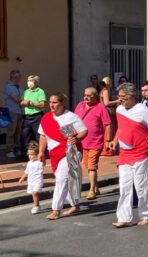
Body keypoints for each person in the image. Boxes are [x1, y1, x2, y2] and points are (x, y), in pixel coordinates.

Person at [109, 82, 148, 228]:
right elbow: (120, 128)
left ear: (131, 96)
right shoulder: (119, 110)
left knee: (141, 186)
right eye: (119, 97)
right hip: (125, 154)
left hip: (141, 153)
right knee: (124, 186)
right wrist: (114, 140)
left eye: (123, 97)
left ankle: (144, 215)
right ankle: (124, 217)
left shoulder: (143, 110)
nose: (120, 100)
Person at [39, 93, 87, 221]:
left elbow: (84, 131)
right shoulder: (46, 118)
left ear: (62, 103)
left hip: (71, 151)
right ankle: (75, 204)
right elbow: (43, 136)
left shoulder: (71, 117)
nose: (51, 104)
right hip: (54, 153)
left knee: (62, 179)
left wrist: (76, 139)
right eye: (50, 102)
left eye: (54, 102)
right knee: (67, 180)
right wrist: (41, 152)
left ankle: (56, 209)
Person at [74, 87, 112, 200]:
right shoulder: (80, 105)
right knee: (87, 165)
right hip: (82, 142)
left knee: (91, 166)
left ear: (94, 96)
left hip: (96, 142)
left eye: (89, 95)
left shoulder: (100, 107)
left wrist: (108, 140)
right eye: (85, 94)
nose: (86, 97)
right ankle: (96, 188)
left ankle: (91, 190)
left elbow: (108, 124)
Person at [18, 141, 44, 214]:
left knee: (34, 193)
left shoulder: (40, 162)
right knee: (33, 194)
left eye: (32, 155)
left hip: (38, 180)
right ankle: (37, 204)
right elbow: (27, 171)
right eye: (29, 155)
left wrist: (41, 155)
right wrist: (22, 178)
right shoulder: (29, 163)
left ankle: (36, 206)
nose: (30, 156)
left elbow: (43, 164)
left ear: (37, 154)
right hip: (31, 181)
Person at [21, 75, 46, 151]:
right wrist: (23, 103)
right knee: (25, 135)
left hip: (37, 116)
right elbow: (21, 103)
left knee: (38, 135)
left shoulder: (40, 91)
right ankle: (25, 153)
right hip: (27, 117)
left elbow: (42, 104)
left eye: (31, 80)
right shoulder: (25, 92)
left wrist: (32, 104)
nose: (29, 82)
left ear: (36, 82)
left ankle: (41, 151)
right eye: (28, 80)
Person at [4, 70, 24, 159]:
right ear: (12, 77)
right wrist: (26, 102)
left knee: (18, 132)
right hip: (12, 111)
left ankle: (17, 149)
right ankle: (9, 150)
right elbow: (17, 98)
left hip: (20, 112)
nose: (17, 79)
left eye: (19, 77)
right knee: (11, 132)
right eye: (15, 77)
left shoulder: (19, 88)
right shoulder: (8, 87)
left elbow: (23, 98)